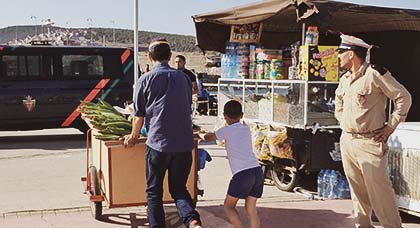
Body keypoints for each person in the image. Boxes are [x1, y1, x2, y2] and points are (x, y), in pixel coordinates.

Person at [334, 34, 412, 228]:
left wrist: (390, 127)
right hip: (348, 141)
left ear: (351, 54)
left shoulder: (374, 74)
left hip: (370, 142)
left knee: (380, 193)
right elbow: (339, 104)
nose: (338, 56)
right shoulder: (345, 79)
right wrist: (344, 122)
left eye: (340, 52)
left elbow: (403, 97)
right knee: (357, 193)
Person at [124, 38, 202, 228]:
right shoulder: (183, 78)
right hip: (184, 144)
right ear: (170, 56)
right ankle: (192, 221)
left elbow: (139, 115)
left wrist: (133, 137)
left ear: (150, 57)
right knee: (179, 189)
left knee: (154, 192)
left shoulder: (145, 79)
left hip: (158, 144)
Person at [199, 100, 264, 228]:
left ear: (224, 116)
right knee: (251, 208)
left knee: (229, 206)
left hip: (242, 174)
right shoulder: (245, 129)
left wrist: (199, 133)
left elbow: (208, 137)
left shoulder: (226, 130)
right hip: (257, 171)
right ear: (242, 115)